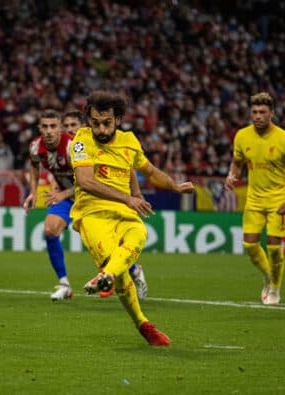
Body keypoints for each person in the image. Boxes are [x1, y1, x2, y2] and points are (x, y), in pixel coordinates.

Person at [70, 90, 194, 346]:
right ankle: (143, 325)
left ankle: (105, 276)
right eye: (95, 123)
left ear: (118, 119)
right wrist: (128, 197)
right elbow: (85, 181)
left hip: (123, 211)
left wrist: (174, 186)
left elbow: (148, 171)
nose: (101, 129)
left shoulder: (129, 141)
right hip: (92, 213)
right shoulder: (82, 140)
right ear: (89, 121)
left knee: (139, 233)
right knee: (121, 273)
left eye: (106, 123)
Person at [24, 109, 148, 301]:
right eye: (45, 127)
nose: (49, 131)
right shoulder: (36, 147)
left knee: (104, 245)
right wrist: (33, 191)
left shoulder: (74, 146)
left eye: (53, 126)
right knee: (49, 230)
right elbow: (34, 165)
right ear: (39, 128)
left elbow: (90, 181)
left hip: (90, 198)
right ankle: (64, 284)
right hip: (66, 199)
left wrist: (136, 194)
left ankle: (132, 270)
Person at [225, 92, 285, 305]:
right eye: (254, 112)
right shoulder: (242, 136)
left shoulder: (284, 139)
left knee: (273, 246)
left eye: (262, 112)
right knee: (250, 246)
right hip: (254, 199)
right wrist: (232, 175)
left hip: (278, 198)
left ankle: (276, 289)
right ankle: (269, 276)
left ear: (272, 113)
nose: (258, 116)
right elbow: (237, 161)